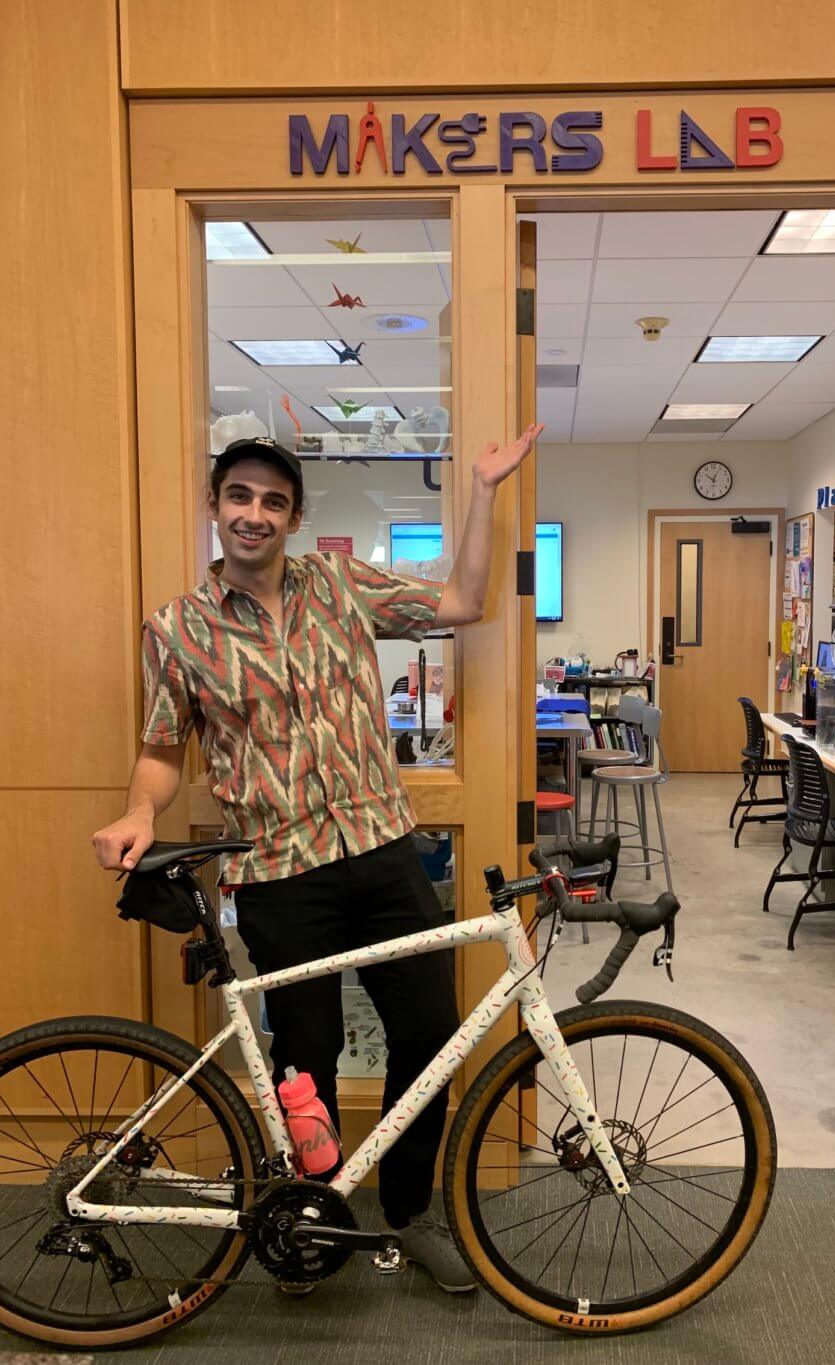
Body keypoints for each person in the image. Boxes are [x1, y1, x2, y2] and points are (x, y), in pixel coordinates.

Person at [91, 426, 542, 1294]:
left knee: (428, 1034)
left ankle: (411, 1212)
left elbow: (462, 602)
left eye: (273, 501)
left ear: (294, 517)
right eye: (239, 497)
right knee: (307, 1058)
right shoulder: (176, 630)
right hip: (276, 874)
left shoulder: (339, 584)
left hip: (382, 852)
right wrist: (140, 809)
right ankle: (314, 1220)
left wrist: (483, 493)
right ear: (215, 508)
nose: (254, 514)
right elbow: (162, 750)